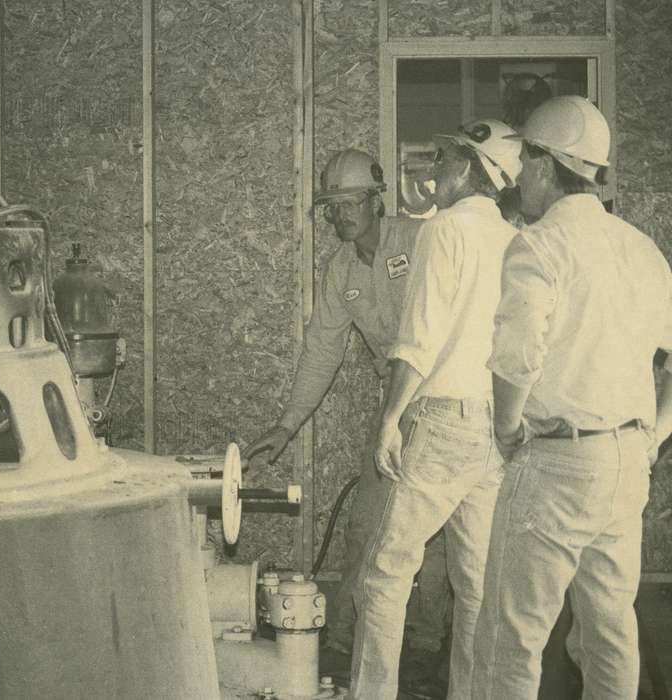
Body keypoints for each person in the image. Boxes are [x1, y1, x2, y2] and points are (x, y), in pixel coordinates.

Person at [472, 95, 672, 699]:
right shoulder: (639, 248)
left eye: (524, 159)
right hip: (625, 463)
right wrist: (655, 435)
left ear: (540, 162)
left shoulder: (538, 246)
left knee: (510, 641)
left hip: (556, 463)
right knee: (610, 637)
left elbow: (514, 361)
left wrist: (506, 431)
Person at [245, 148, 449, 662]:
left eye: (350, 202)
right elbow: (322, 350)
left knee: (441, 539)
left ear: (376, 201)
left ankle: (426, 651)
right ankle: (341, 647)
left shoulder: (422, 241)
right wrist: (286, 426)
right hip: (395, 411)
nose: (340, 214)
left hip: (447, 402)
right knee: (367, 526)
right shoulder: (340, 270)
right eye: (332, 205)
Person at [350, 119, 522, 700]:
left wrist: (390, 419)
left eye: (446, 158)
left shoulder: (443, 229)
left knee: (383, 576)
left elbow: (419, 337)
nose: (435, 169)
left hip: (443, 420)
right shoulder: (514, 237)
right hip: (494, 427)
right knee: (476, 585)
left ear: (472, 170)